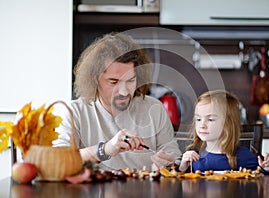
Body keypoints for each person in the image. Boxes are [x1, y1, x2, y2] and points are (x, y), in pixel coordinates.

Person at [53, 32, 181, 171]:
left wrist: (171, 164)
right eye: (113, 82)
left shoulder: (154, 108)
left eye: (131, 81)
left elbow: (173, 157)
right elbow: (58, 160)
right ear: (94, 80)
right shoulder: (75, 112)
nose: (124, 92)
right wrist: (105, 149)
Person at [178, 90, 269, 177]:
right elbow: (177, 187)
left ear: (228, 124)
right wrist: (182, 168)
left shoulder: (243, 157)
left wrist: (268, 169)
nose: (202, 125)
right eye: (198, 119)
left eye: (210, 119)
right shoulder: (193, 157)